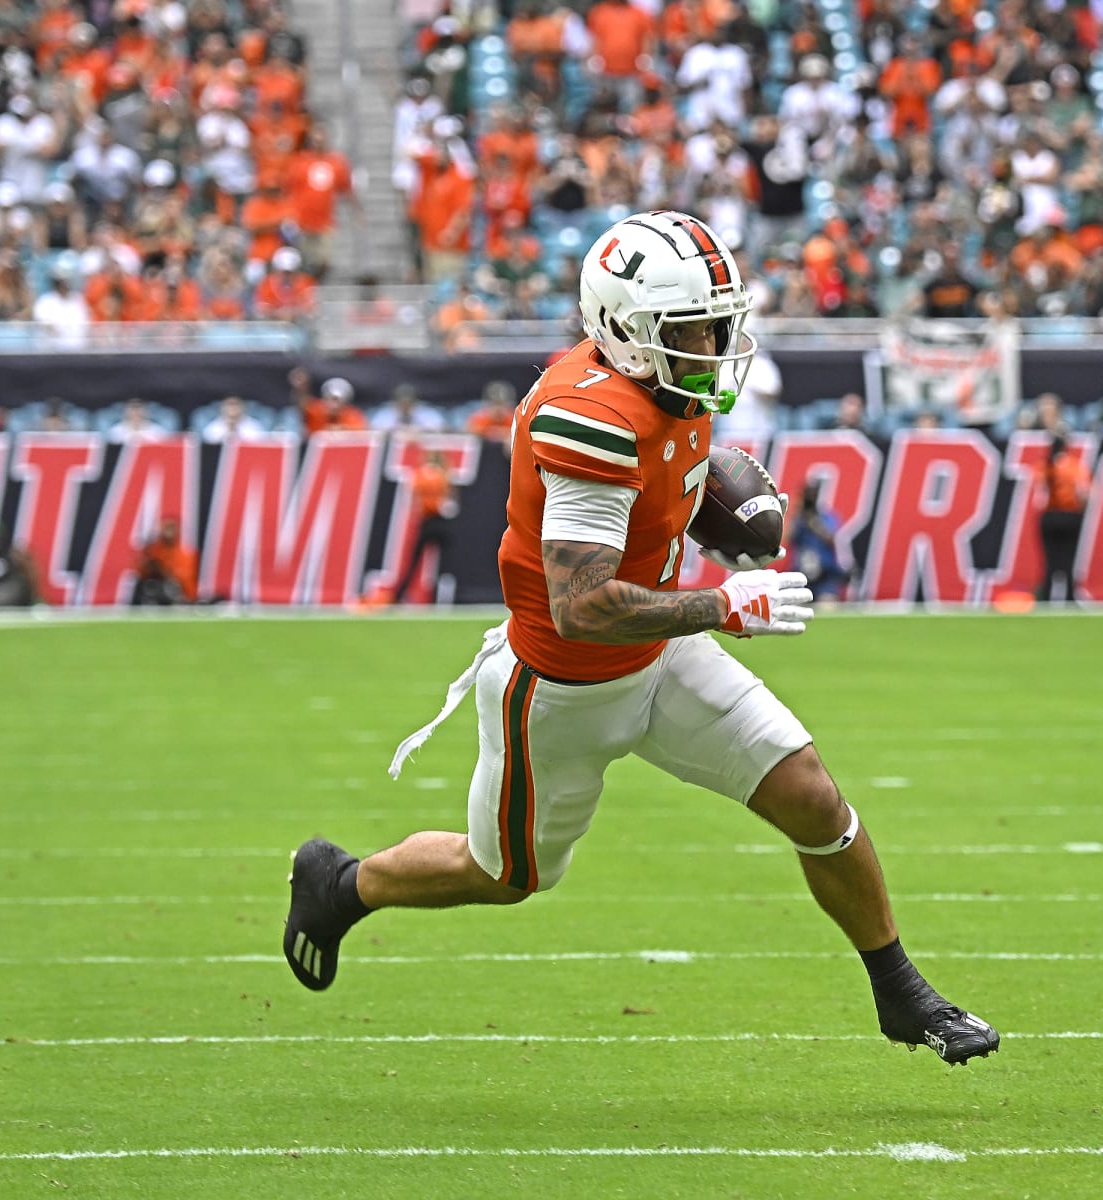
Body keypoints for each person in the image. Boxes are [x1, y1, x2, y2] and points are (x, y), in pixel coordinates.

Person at [282, 209, 998, 1065]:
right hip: (559, 691)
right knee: (505, 877)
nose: (714, 341)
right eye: (693, 327)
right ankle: (341, 883)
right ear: (626, 330)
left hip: (659, 657)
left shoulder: (671, 385)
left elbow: (659, 494)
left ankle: (899, 990)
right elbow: (582, 604)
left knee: (811, 796)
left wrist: (712, 516)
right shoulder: (588, 418)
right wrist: (725, 605)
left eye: (718, 321)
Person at [391, 450, 456, 604]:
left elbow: (413, 500)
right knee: (445, 562)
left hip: (426, 521)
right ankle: (442, 596)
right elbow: (449, 504)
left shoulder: (419, 475)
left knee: (414, 562)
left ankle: (400, 595)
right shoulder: (443, 476)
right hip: (441, 521)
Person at [1035, 426, 1090, 604]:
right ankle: (1069, 598)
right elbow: (1085, 493)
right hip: (1070, 516)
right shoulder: (1074, 466)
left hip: (1049, 516)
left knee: (1050, 561)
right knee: (1068, 560)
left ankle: (1046, 597)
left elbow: (1038, 495)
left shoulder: (1044, 466)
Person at [786, 478, 848, 601]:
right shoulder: (798, 519)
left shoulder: (826, 516)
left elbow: (831, 539)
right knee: (794, 608)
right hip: (801, 573)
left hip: (824, 574)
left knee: (827, 605)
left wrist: (814, 523)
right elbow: (787, 539)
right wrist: (797, 513)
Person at [133, 518, 198, 606]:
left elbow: (183, 578)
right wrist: (148, 562)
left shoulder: (185, 554)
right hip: (158, 588)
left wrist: (162, 570)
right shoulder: (154, 550)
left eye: (171, 529)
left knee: (170, 587)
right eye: (166, 528)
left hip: (178, 592)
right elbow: (140, 571)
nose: (168, 533)